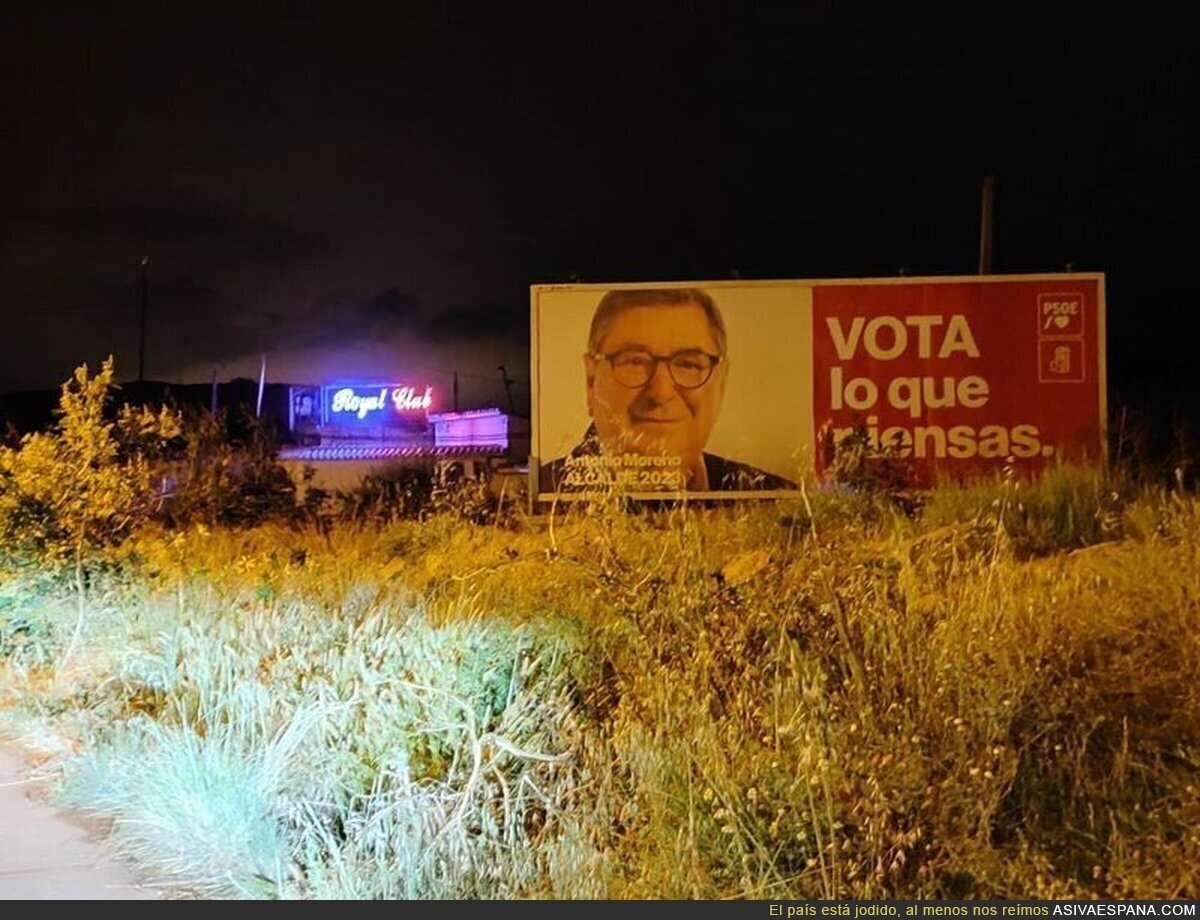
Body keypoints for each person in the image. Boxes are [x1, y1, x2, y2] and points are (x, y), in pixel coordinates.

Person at [543, 287, 795, 493]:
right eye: (635, 361)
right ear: (591, 380)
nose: (661, 392)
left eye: (688, 364)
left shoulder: (773, 500)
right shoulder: (545, 497)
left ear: (721, 383)